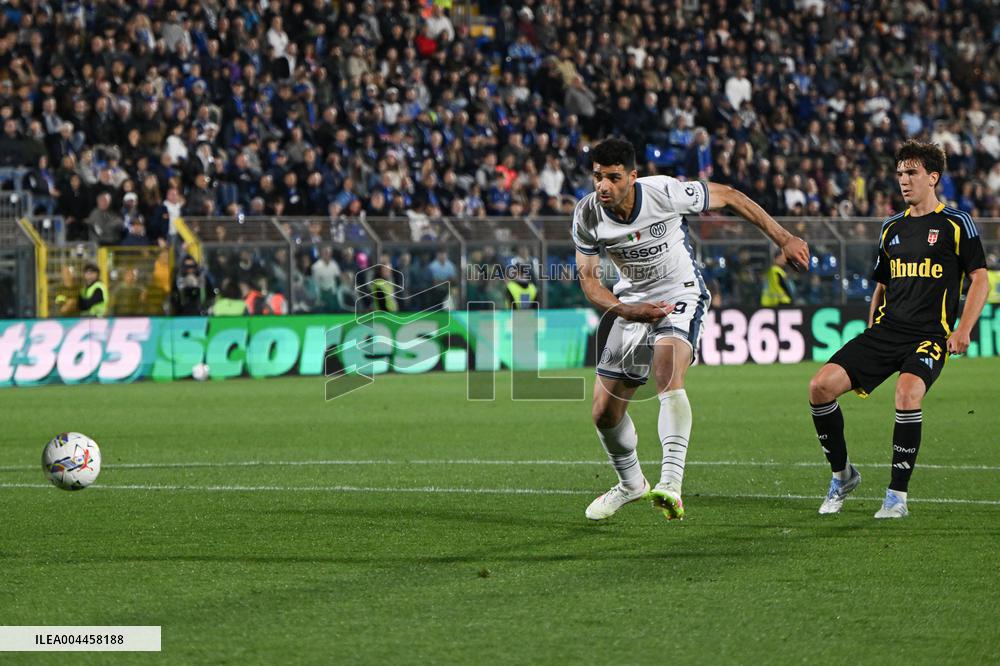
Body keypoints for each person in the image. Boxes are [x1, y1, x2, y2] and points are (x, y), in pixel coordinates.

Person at [574, 138, 809, 521]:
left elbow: (729, 196)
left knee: (667, 370)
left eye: (613, 178)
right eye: (598, 176)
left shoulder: (665, 192)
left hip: (680, 292)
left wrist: (784, 238)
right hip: (632, 304)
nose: (603, 186)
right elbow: (589, 282)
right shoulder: (587, 214)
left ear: (632, 177)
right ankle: (631, 484)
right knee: (603, 413)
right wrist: (629, 311)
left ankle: (670, 483)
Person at [807, 141, 988, 519]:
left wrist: (964, 329)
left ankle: (896, 496)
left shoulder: (956, 223)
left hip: (929, 335)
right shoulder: (891, 227)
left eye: (912, 173)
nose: (904, 180)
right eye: (900, 173)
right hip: (886, 331)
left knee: (907, 394)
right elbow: (882, 284)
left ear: (933, 178)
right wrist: (871, 325)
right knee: (820, 387)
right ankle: (842, 476)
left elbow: (980, 279)